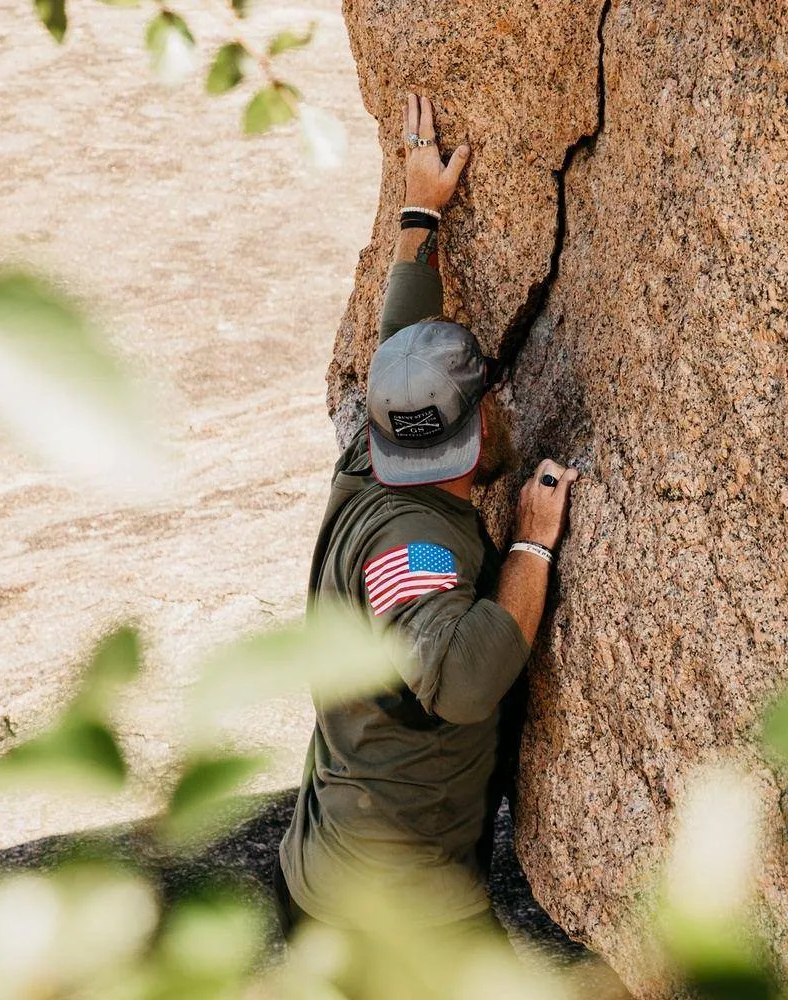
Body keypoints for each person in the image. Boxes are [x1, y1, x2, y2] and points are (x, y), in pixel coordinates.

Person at [275, 92, 578, 947]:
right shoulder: (418, 545)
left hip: (328, 871)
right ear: (479, 427)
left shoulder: (367, 457)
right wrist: (531, 543)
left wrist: (421, 210)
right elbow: (465, 676)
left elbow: (399, 347)